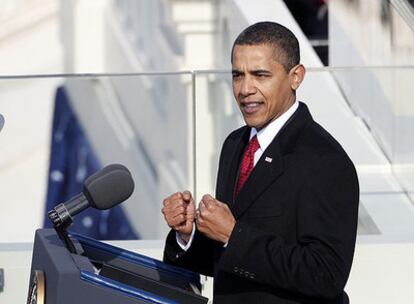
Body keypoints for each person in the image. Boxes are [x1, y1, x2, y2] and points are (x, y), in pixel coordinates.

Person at [162, 21, 359, 304]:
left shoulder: (325, 160)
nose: (245, 89)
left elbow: (326, 275)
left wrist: (233, 235)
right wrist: (188, 233)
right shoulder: (235, 144)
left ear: (296, 77)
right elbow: (231, 261)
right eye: (237, 75)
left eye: (260, 75)